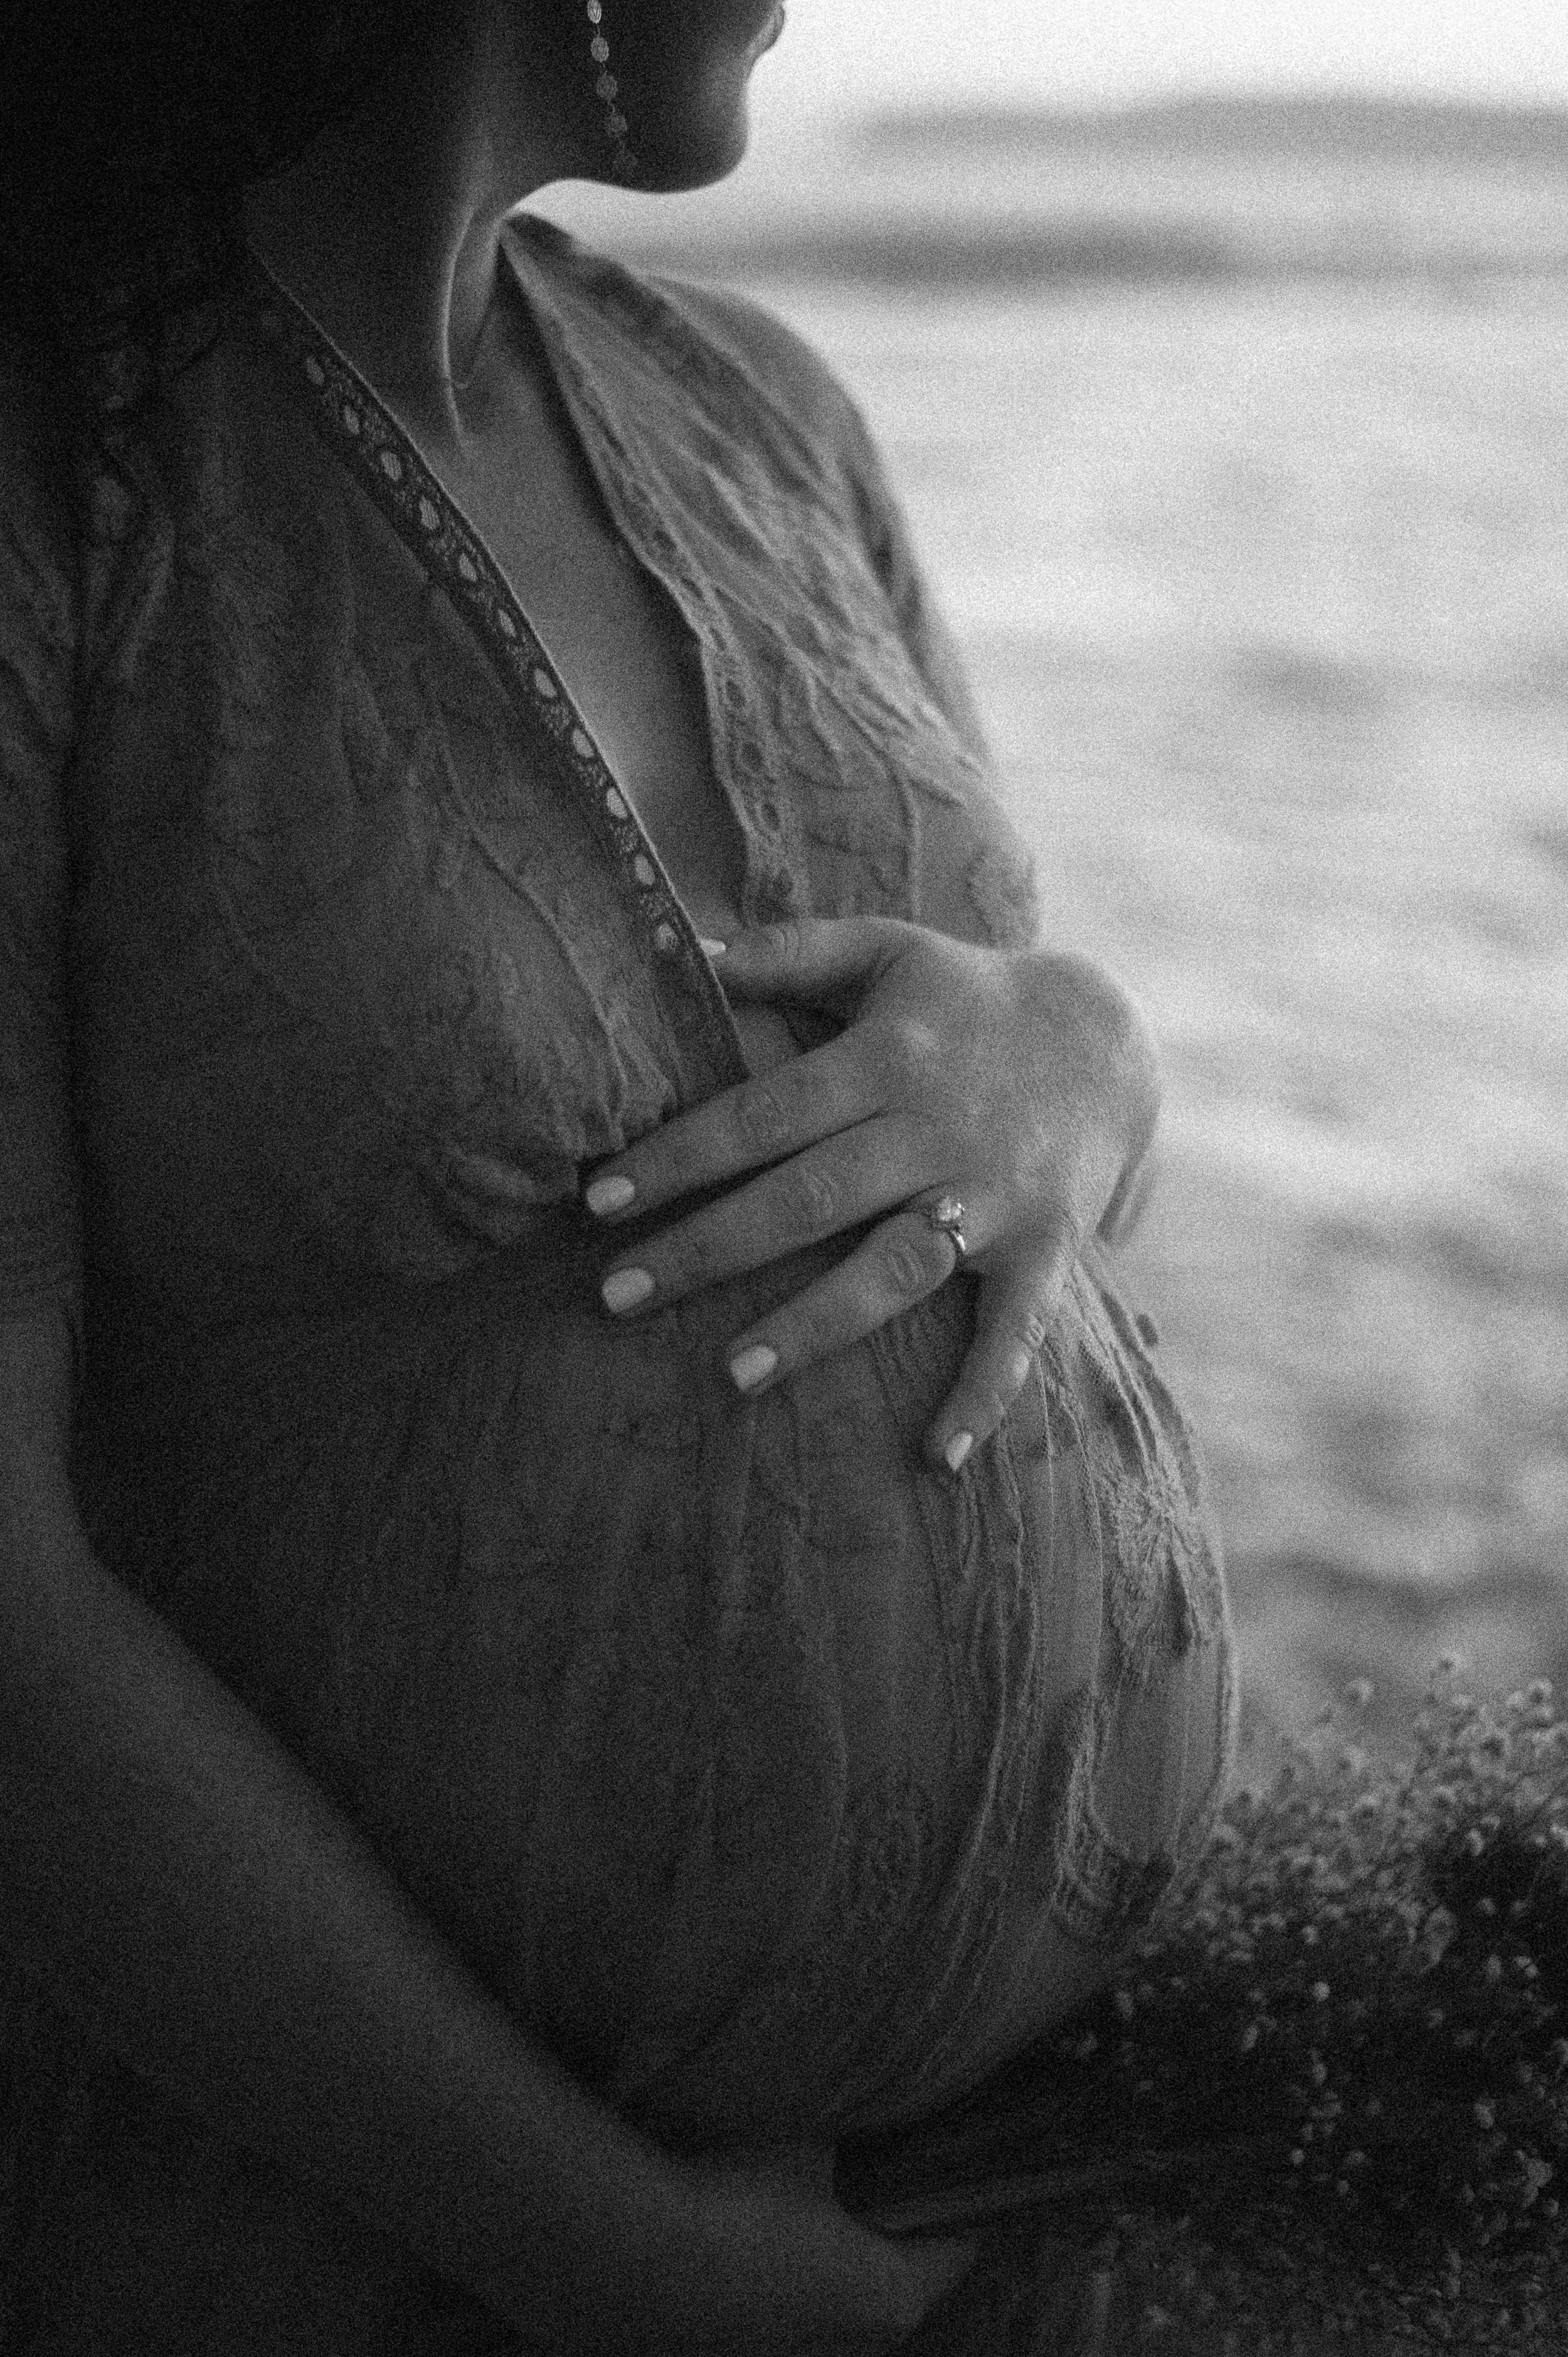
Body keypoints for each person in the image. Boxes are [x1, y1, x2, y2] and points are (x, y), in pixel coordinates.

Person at [0, 1, 1237, 2346]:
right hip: (345, 2253)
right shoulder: (60, 465)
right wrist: (627, 2266)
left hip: (1002, 2177)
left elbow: (976, 1160)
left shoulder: (764, 410)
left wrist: (1090, 1059)